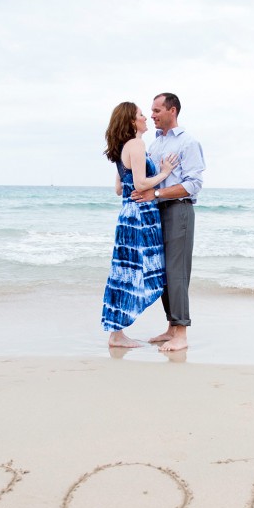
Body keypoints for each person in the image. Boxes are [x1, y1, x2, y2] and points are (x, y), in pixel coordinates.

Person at [130, 93, 205, 352]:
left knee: (177, 272)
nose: (152, 115)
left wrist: (157, 193)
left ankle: (181, 334)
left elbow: (193, 185)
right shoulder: (155, 143)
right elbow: (150, 177)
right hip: (156, 212)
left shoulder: (188, 142)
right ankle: (171, 327)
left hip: (178, 211)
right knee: (162, 272)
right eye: (150, 111)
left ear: (172, 111)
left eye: (157, 110)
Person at [101, 102, 178, 347]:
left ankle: (117, 333)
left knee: (126, 272)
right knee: (137, 271)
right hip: (140, 218)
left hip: (129, 215)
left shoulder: (124, 148)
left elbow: (118, 189)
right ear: (132, 121)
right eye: (141, 114)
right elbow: (141, 184)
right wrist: (165, 173)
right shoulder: (136, 144)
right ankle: (116, 335)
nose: (146, 117)